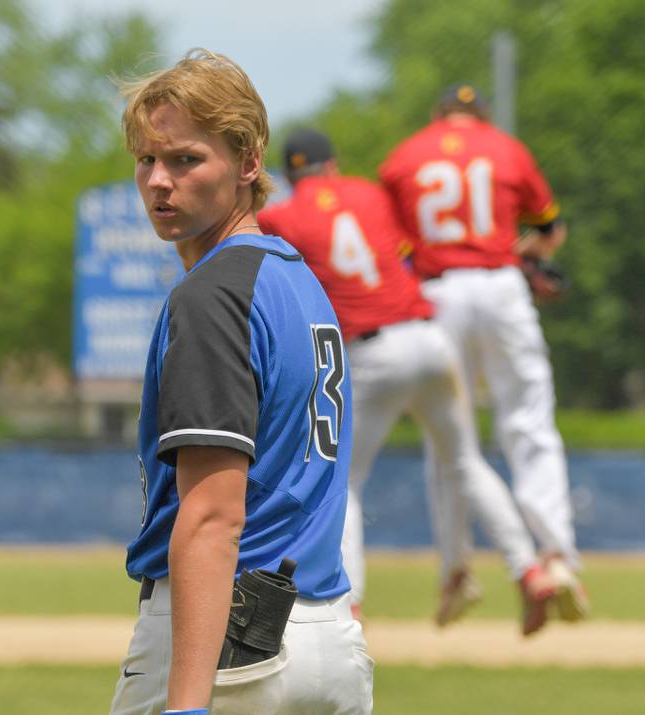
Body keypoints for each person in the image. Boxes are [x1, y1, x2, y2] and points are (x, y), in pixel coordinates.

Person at [109, 51, 372, 715]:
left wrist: (189, 705)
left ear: (250, 163)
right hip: (331, 640)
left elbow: (212, 517)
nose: (160, 182)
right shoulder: (300, 280)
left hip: (231, 650)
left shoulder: (212, 294)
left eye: (187, 159)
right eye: (147, 160)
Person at [258, 128, 557, 636]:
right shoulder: (369, 194)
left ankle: (350, 604)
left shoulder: (279, 216)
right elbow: (400, 255)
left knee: (345, 482)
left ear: (289, 174)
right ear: (333, 165)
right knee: (465, 462)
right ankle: (528, 569)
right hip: (428, 335)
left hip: (372, 353)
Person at [379, 83, 589, 624]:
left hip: (439, 292)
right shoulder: (506, 148)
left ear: (438, 113)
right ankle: (557, 554)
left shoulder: (405, 156)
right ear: (481, 115)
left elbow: (393, 245)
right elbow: (549, 230)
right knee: (529, 421)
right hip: (500, 288)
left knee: (450, 437)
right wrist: (522, 253)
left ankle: (456, 569)